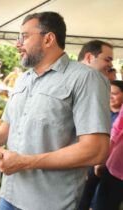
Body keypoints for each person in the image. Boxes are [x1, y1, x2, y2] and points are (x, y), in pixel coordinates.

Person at [0, 12, 110, 210]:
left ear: (48, 38)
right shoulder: (23, 79)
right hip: (8, 195)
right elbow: (8, 124)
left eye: (24, 36)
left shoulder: (86, 79)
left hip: (48, 203)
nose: (18, 44)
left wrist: (26, 162)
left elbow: (96, 150)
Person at [76, 40, 114, 210]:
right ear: (90, 57)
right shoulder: (86, 82)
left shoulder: (96, 83)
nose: (111, 64)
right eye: (107, 59)